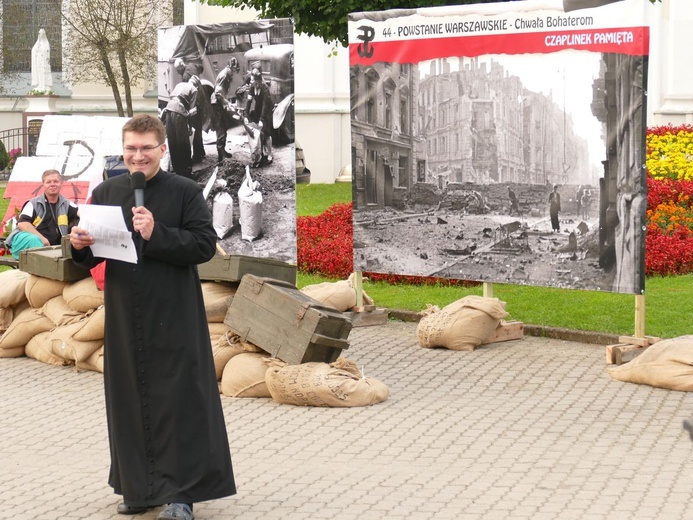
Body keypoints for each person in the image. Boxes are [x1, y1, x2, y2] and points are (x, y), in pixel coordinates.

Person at [69, 114, 235, 520]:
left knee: (177, 401)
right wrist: (78, 244)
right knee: (129, 397)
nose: (138, 155)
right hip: (126, 312)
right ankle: (138, 488)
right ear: (123, 150)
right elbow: (88, 255)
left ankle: (181, 494)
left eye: (146, 148)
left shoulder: (185, 191)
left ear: (162, 149)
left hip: (173, 310)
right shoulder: (107, 190)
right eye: (131, 148)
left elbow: (203, 245)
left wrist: (155, 233)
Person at [5, 169, 78, 259]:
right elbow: (22, 224)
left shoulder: (68, 205)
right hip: (29, 242)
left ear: (61, 184)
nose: (52, 184)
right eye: (48, 182)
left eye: (55, 181)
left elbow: (81, 218)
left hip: (55, 248)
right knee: (35, 240)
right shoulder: (32, 204)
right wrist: (42, 239)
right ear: (43, 185)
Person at [161, 76, 198, 179]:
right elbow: (192, 111)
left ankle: (177, 171)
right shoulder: (194, 89)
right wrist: (190, 126)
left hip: (169, 109)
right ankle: (186, 173)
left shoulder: (179, 85)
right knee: (183, 143)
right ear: (196, 84)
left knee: (173, 142)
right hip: (179, 112)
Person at [211, 57, 240, 164]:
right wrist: (226, 103)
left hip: (220, 104)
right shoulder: (224, 75)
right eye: (233, 70)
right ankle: (220, 156)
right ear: (229, 67)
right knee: (220, 128)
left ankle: (223, 150)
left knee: (225, 126)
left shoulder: (227, 75)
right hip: (217, 104)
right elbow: (218, 93)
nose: (233, 73)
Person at [244, 68, 274, 167]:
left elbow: (265, 105)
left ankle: (269, 154)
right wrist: (246, 115)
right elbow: (248, 101)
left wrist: (262, 119)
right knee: (258, 133)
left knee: (267, 133)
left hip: (266, 111)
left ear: (258, 80)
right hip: (258, 109)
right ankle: (260, 153)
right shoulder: (252, 87)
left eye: (253, 80)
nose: (251, 82)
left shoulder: (265, 88)